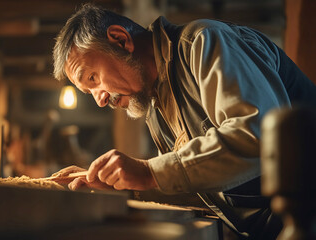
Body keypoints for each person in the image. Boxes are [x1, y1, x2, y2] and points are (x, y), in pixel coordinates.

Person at [52, 3, 316, 240]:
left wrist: (149, 172)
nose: (99, 100)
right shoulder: (156, 109)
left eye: (92, 79)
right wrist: (120, 185)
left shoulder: (203, 42)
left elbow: (258, 137)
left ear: (120, 40)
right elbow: (192, 182)